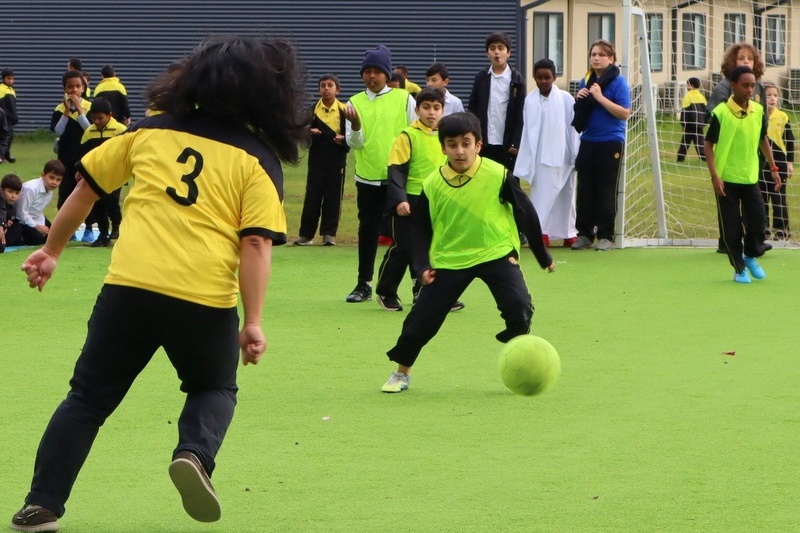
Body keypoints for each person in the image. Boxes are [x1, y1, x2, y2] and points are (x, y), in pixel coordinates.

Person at [10, 34, 308, 532]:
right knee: (213, 387)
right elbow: (255, 246)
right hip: (203, 298)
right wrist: (253, 321)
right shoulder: (258, 160)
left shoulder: (149, 131)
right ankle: (193, 453)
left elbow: (84, 190)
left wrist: (51, 250)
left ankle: (41, 506)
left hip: (128, 287)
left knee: (86, 399)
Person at [380, 112, 555, 393]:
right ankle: (401, 373)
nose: (459, 151)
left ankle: (519, 351)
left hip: (496, 252)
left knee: (519, 307)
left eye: (466, 143)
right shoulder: (432, 184)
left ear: (478, 145)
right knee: (419, 322)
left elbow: (525, 212)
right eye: (452, 144)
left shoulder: (498, 175)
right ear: (443, 148)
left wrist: (542, 255)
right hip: (450, 259)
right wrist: (423, 265)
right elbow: (420, 229)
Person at [375, 88, 463, 313]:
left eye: (436, 108)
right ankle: (386, 291)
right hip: (410, 201)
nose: (431, 113)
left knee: (437, 247)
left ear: (443, 110)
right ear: (417, 110)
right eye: (426, 107)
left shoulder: (447, 138)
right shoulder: (407, 136)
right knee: (404, 248)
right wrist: (399, 200)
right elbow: (396, 170)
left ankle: (427, 291)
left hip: (439, 200)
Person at [344, 45, 416, 303]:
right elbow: (355, 143)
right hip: (368, 177)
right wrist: (354, 125)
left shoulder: (404, 99)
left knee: (406, 234)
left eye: (377, 72)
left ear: (387, 74)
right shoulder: (354, 102)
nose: (371, 77)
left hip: (399, 178)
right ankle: (364, 283)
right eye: (367, 72)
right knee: (368, 231)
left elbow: (414, 134)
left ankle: (418, 285)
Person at [704, 66, 781, 284]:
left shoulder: (758, 110)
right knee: (731, 228)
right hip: (726, 179)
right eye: (745, 85)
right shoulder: (721, 113)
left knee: (758, 222)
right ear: (733, 86)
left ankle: (750, 256)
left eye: (752, 85)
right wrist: (715, 176)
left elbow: (762, 138)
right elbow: (708, 144)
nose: (750, 89)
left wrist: (773, 168)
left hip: (749, 177)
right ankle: (738, 268)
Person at [570, 39, 631, 252]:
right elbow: (581, 113)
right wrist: (580, 99)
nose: (596, 58)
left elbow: (624, 113)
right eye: (593, 54)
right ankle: (585, 233)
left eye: (601, 55)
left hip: (610, 141)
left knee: (606, 188)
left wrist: (599, 97)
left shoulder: (618, 83)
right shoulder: (584, 81)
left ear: (611, 59)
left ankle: (606, 235)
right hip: (588, 140)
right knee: (585, 189)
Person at [707, 43, 767, 254]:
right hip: (728, 158)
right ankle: (728, 242)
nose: (745, 62)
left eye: (749, 59)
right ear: (732, 63)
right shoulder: (724, 89)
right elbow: (715, 120)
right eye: (741, 58)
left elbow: (762, 126)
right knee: (729, 207)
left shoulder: (758, 89)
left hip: (749, 156)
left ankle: (754, 242)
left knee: (755, 207)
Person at [514, 58, 579, 249]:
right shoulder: (530, 100)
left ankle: (568, 233)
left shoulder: (566, 98)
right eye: (539, 77)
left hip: (564, 154)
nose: (543, 81)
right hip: (540, 156)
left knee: (566, 195)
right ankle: (540, 232)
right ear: (534, 77)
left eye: (547, 77)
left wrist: (575, 153)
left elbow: (573, 128)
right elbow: (528, 131)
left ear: (554, 77)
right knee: (542, 194)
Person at [294, 73, 349, 246]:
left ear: (337, 90)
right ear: (319, 89)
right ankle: (306, 235)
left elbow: (353, 136)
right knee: (313, 195)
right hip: (317, 159)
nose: (326, 88)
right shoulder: (311, 111)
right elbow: (301, 135)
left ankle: (329, 234)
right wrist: (310, 133)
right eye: (323, 85)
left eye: (330, 85)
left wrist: (343, 139)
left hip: (336, 159)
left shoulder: (345, 110)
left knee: (333, 196)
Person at [467, 32, 525, 171]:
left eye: (501, 48)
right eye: (492, 48)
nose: (496, 52)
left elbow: (520, 114)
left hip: (507, 145)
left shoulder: (516, 80)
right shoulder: (481, 77)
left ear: (508, 52)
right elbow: (472, 109)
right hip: (484, 143)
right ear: (487, 53)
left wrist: (515, 143)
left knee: (508, 184)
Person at [51, 69, 93, 242]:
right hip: (65, 160)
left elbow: (89, 129)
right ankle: (69, 231)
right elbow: (57, 130)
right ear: (64, 89)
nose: (74, 90)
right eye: (70, 87)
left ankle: (89, 227)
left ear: (83, 88)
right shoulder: (60, 109)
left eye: (78, 86)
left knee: (88, 194)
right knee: (65, 194)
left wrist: (80, 111)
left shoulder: (90, 107)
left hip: (85, 159)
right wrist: (67, 112)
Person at [79, 97, 127, 247]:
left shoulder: (120, 130)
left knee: (112, 201)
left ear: (109, 115)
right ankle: (103, 233)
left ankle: (117, 227)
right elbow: (84, 154)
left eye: (100, 118)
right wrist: (81, 171)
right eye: (94, 118)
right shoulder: (89, 132)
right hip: (96, 175)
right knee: (98, 204)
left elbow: (128, 152)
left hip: (116, 174)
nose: (97, 121)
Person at [760, 82, 794, 240]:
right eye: (768, 95)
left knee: (778, 196)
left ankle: (781, 230)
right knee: (762, 196)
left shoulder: (783, 116)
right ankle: (763, 228)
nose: (772, 99)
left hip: (779, 161)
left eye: (775, 95)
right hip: (761, 161)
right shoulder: (758, 115)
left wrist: (790, 162)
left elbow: (790, 141)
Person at [14, 160, 65, 246]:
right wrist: (37, 226)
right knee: (37, 239)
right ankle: (19, 237)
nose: (54, 182)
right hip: (19, 220)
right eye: (51, 177)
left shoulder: (50, 189)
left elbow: (37, 211)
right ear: (43, 175)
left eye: (58, 180)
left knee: (54, 236)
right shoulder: (30, 189)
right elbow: (21, 214)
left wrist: (41, 225)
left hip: (35, 216)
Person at [676, 77, 707, 162]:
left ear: (691, 85)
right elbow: (705, 111)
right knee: (700, 142)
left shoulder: (688, 96)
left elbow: (685, 111)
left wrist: (683, 124)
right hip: (699, 125)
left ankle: (680, 158)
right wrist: (704, 122)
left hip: (690, 124)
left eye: (687, 84)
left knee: (685, 142)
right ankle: (704, 158)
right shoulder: (701, 96)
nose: (686, 86)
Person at [1, 173, 23, 251]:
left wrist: (6, 224)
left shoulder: (11, 206)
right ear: (2, 190)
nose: (13, 196)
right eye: (10, 192)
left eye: (16, 193)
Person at [0, 68, 18, 162]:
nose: (10, 80)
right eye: (8, 78)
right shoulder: (1, 89)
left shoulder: (12, 90)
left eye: (12, 78)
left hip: (10, 119)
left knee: (9, 136)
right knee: (5, 136)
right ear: (4, 79)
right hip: (3, 118)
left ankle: (4, 155)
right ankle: (4, 156)